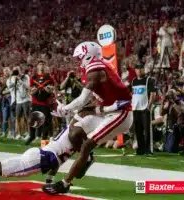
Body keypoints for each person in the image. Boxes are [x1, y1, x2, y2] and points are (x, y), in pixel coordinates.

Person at [43, 41, 133, 194]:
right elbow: (93, 101)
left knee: (87, 144)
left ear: (88, 55)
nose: (79, 62)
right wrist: (72, 111)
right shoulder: (98, 67)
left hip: (121, 113)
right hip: (108, 110)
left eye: (80, 57)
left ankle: (65, 183)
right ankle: (87, 158)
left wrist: (66, 108)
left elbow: (83, 99)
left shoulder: (95, 68)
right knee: (75, 131)